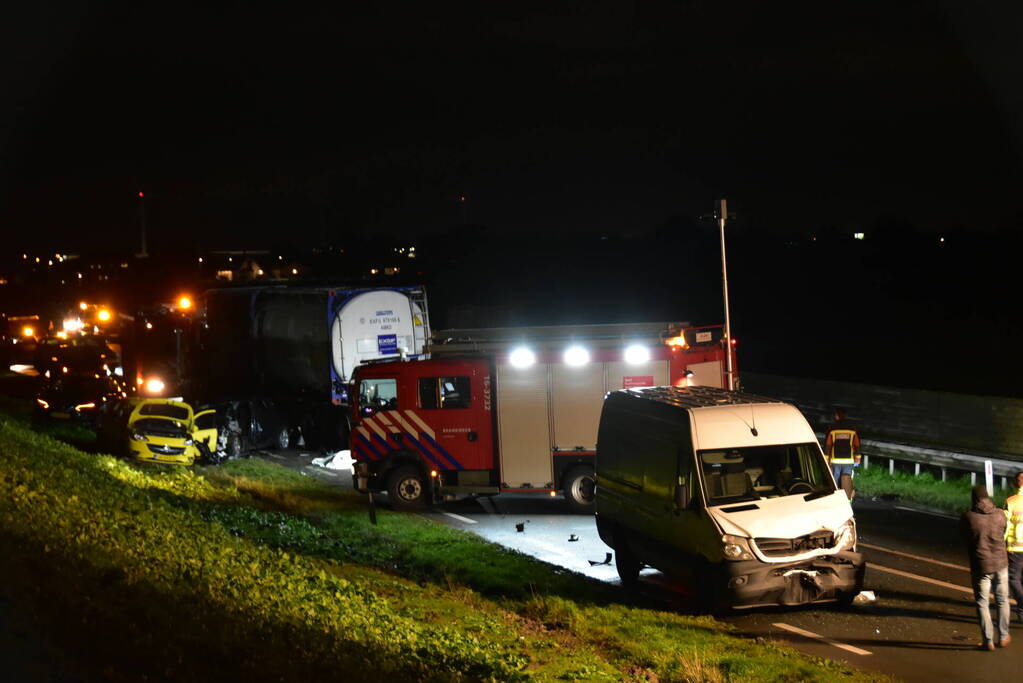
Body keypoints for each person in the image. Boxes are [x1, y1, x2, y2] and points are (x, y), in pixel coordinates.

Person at [961, 485, 1011, 650]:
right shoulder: (999, 515)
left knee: (982, 602)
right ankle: (1003, 636)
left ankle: (987, 640)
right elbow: (1004, 532)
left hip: (981, 565)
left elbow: (964, 536)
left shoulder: (969, 517)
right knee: (1002, 600)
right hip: (1001, 564)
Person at [825, 408, 860, 498]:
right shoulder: (852, 428)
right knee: (847, 480)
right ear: (845, 416)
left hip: (835, 461)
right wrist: (857, 459)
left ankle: (835, 499)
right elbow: (856, 445)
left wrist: (826, 459)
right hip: (848, 461)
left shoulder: (832, 428)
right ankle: (847, 499)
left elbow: (828, 445)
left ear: (837, 416)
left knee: (835, 481)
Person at [1005, 471, 1023, 624]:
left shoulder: (1011, 501)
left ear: (1015, 483)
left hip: (1016, 548)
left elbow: (1005, 526)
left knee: (1014, 578)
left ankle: (1022, 604)